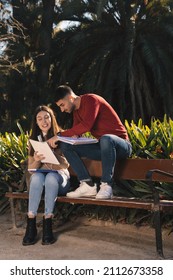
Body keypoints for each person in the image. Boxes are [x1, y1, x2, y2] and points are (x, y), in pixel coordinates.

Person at [48, 85, 132, 200]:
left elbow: (86, 125)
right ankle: (87, 184)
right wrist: (60, 140)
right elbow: (76, 134)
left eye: (62, 105)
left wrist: (59, 135)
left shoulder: (91, 100)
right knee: (66, 145)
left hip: (122, 146)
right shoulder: (76, 112)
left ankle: (106, 186)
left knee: (106, 139)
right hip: (103, 149)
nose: (62, 110)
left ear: (71, 98)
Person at [22, 105, 70, 246]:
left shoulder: (61, 136)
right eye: (40, 119)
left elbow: (66, 165)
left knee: (50, 177)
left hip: (59, 180)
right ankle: (31, 224)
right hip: (41, 180)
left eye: (47, 117)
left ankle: (48, 221)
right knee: (36, 177)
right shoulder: (34, 140)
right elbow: (31, 169)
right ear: (36, 122)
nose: (44, 121)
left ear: (52, 118)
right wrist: (37, 160)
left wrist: (53, 154)